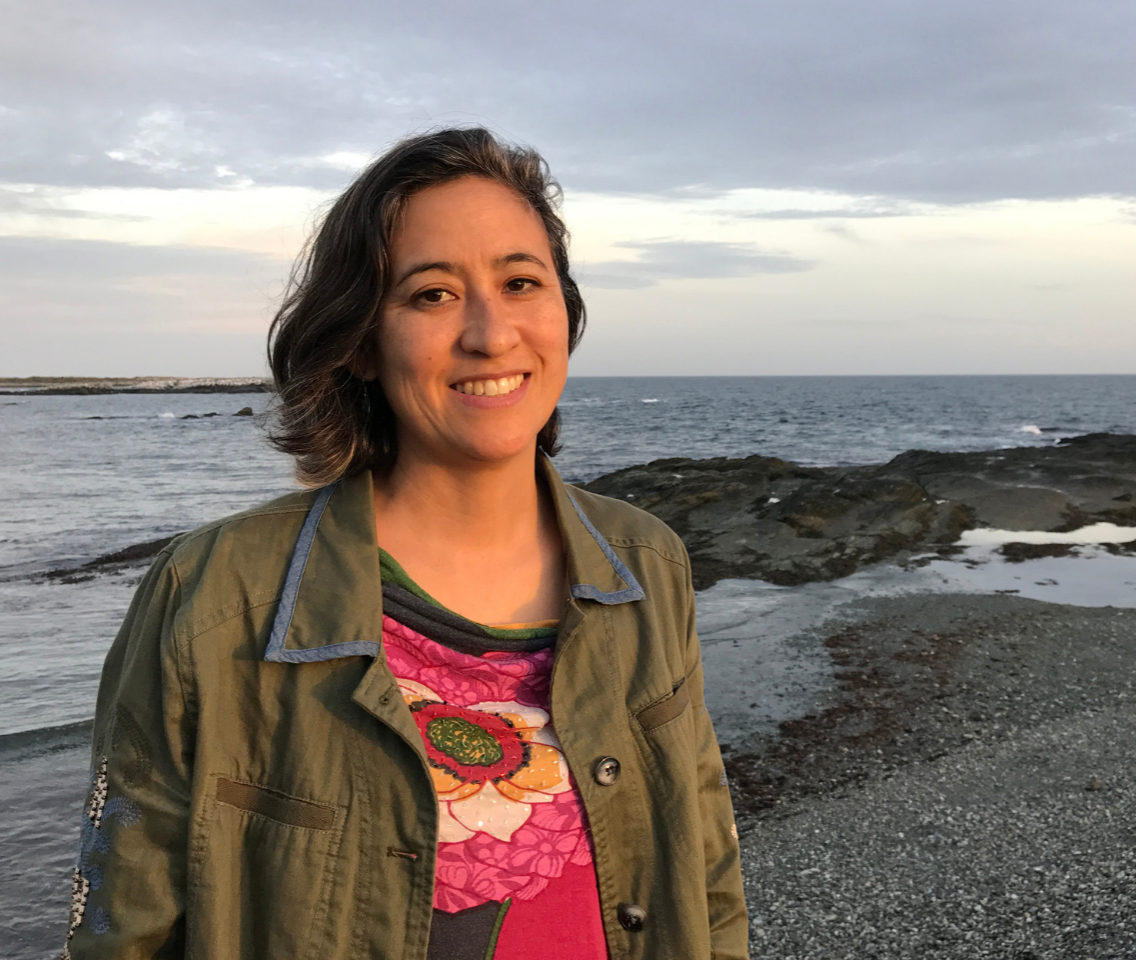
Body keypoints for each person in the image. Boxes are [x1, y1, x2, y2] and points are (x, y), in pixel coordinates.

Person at [61, 127, 748, 960]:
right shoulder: (212, 598)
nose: (491, 334)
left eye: (521, 281)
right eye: (432, 295)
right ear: (358, 341)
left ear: (562, 312)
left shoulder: (647, 565)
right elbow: (123, 932)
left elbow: (706, 865)